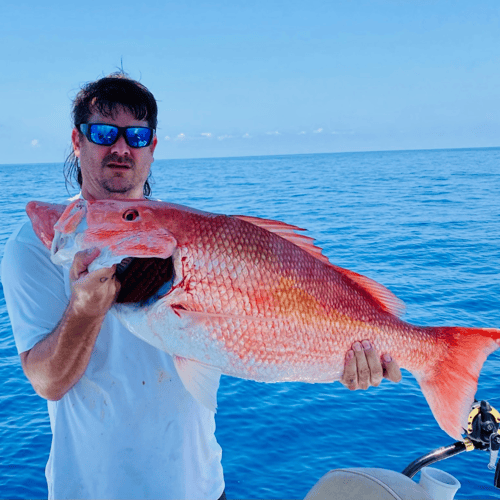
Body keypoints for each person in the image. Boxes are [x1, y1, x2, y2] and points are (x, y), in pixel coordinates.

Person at [1, 73, 401, 500]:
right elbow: (48, 382)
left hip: (201, 488)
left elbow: (263, 334)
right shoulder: (37, 245)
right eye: (103, 133)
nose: (121, 147)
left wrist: (340, 360)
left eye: (136, 136)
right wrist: (84, 311)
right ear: (78, 142)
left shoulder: (188, 235)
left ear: (151, 148)